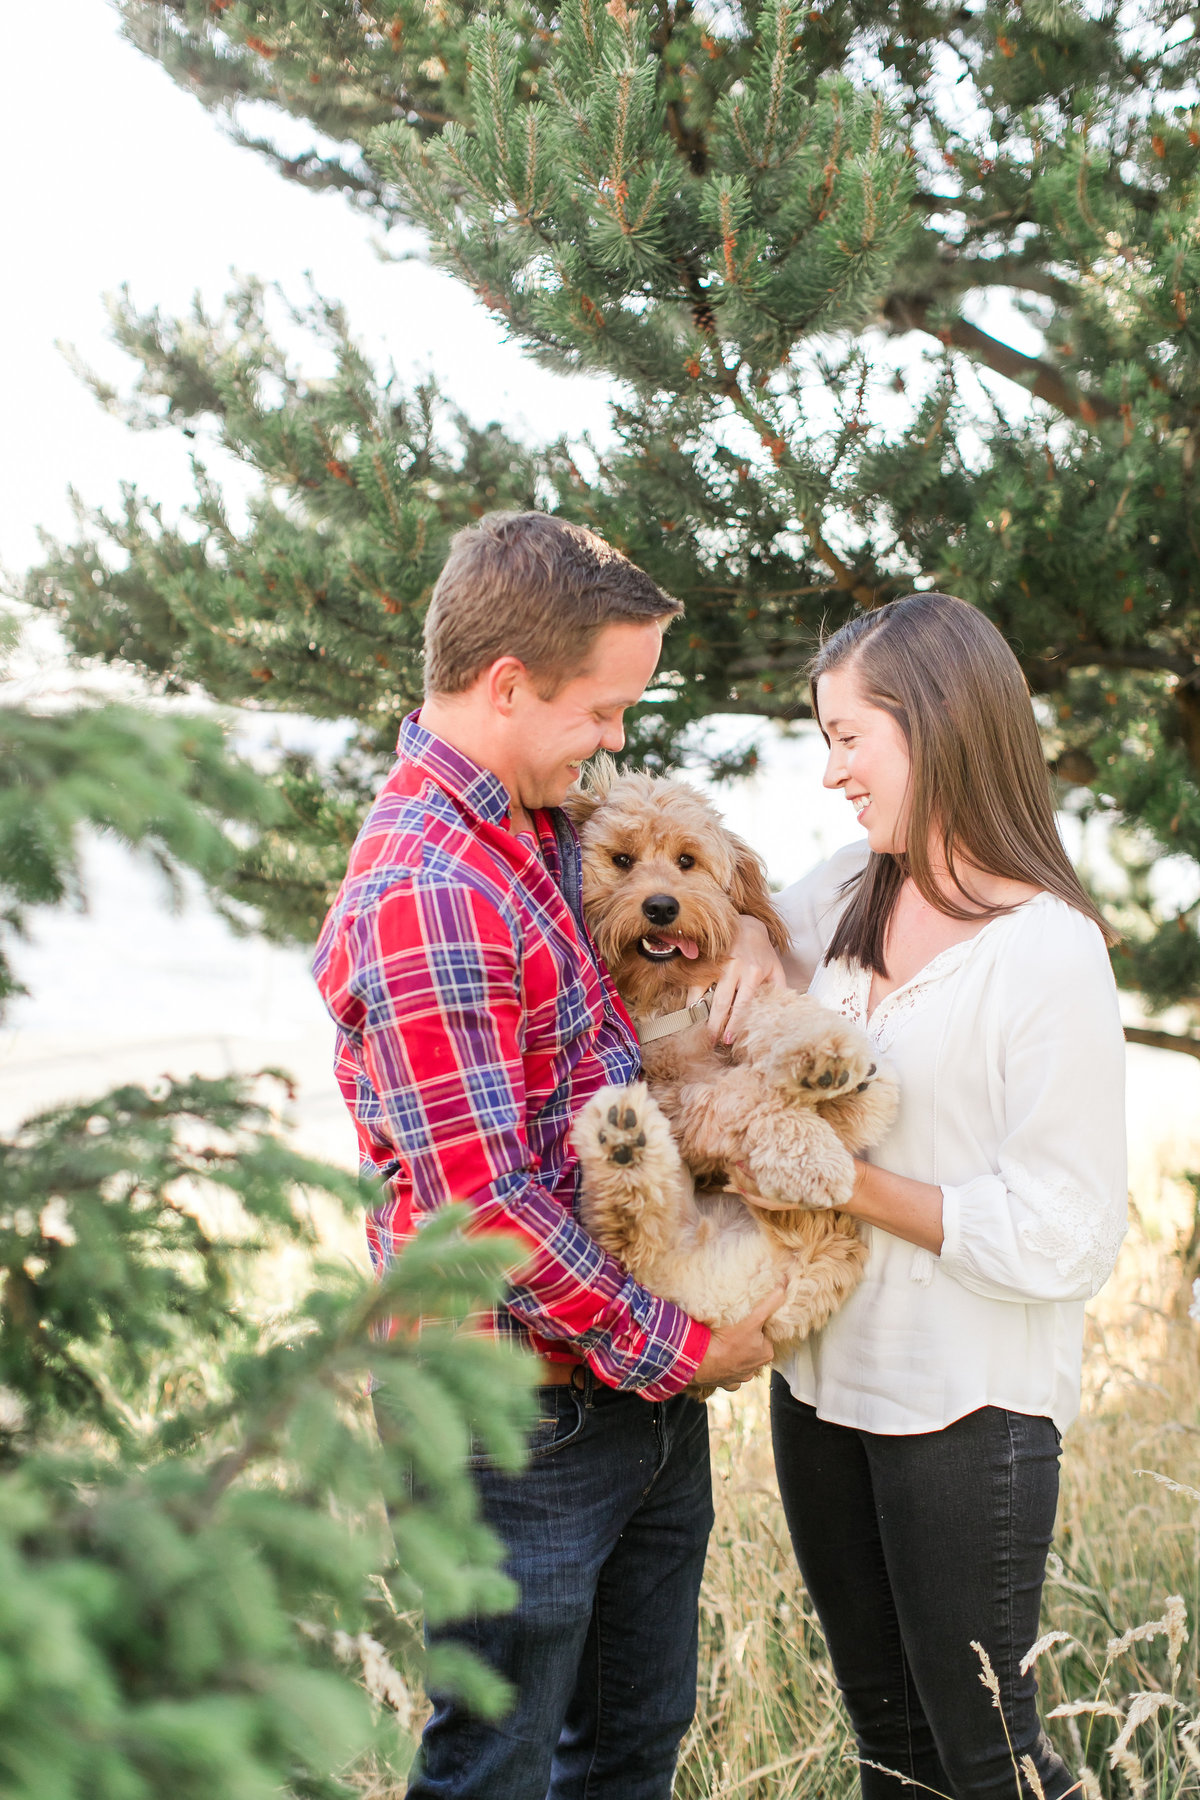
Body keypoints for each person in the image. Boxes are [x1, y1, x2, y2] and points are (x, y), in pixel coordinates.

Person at [312, 511, 784, 1800]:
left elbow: (660, 925)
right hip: (515, 1418)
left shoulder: (532, 824)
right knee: (499, 1770)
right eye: (602, 708)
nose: (617, 737)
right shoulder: (432, 883)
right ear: (506, 686)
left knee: (629, 1750)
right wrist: (684, 1348)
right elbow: (487, 1204)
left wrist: (746, 953)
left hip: (621, 1383)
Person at [768, 592, 1127, 1800]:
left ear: (932, 724)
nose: (832, 773)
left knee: (987, 1758)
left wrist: (849, 1183)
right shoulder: (847, 891)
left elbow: (1067, 1232)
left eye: (848, 737)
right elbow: (734, 937)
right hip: (819, 1392)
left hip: (965, 1410)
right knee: (892, 1754)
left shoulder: (1049, 949)